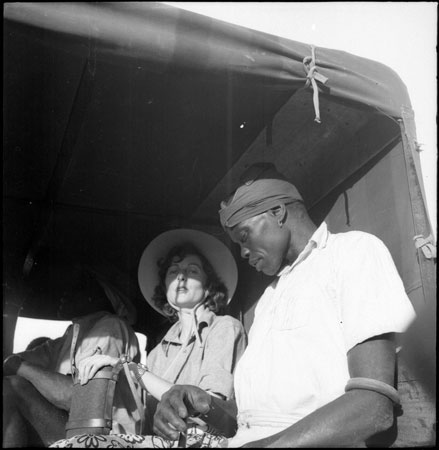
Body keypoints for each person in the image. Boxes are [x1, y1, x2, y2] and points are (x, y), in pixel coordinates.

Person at [152, 162, 417, 448]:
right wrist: (203, 403)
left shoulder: (352, 252)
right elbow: (246, 421)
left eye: (244, 236)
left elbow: (373, 408)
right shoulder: (270, 297)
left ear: (278, 213)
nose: (243, 252)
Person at [51, 229, 247, 448]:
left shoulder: (225, 327)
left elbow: (207, 405)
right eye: (173, 272)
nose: (181, 276)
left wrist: (130, 368)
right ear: (164, 287)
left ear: (209, 286)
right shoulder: (157, 352)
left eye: (192, 270)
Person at [3, 264, 141, 447]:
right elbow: (15, 360)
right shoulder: (70, 335)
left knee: (12, 387)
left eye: (77, 287)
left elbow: (82, 402)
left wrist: (20, 367)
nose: (65, 293)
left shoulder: (110, 328)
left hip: (106, 438)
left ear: (97, 294)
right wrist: (13, 362)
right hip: (75, 430)